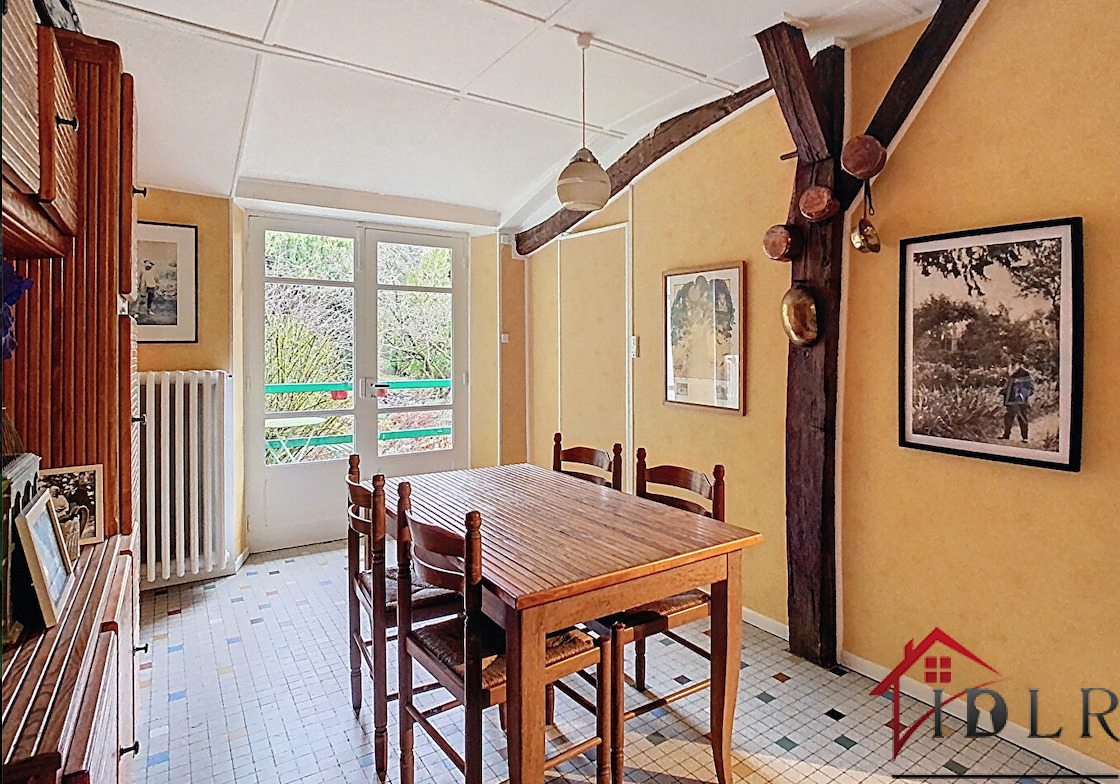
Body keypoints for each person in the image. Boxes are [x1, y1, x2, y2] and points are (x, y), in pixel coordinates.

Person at [998, 367, 1035, 443]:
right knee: (1008, 417)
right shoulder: (1008, 373)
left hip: (1021, 401)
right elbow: (1006, 386)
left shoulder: (1024, 373)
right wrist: (1004, 390)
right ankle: (1006, 435)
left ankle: (1025, 437)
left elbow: (1031, 388)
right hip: (1010, 400)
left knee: (1022, 418)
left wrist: (1024, 395)